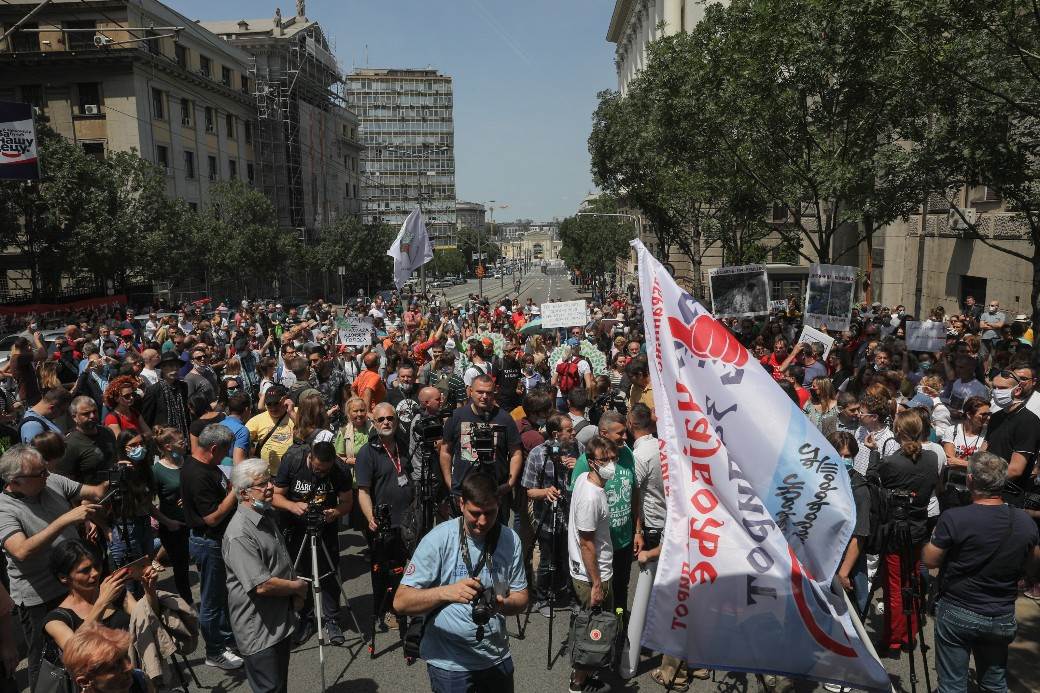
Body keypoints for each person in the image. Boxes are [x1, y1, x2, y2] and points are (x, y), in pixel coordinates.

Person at [394, 472, 528, 693]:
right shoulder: (438, 539)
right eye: (475, 513)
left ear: (499, 504)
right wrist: (447, 592)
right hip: (450, 664)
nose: (483, 522)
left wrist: (501, 605)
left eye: (490, 513)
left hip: (495, 655)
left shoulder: (509, 539)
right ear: (461, 503)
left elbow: (521, 597)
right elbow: (400, 602)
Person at [923, 451, 1040, 693]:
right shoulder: (1024, 522)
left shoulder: (954, 518)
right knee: (994, 683)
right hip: (1000, 615)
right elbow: (1033, 565)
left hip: (957, 609)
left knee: (952, 686)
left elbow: (930, 560)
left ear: (970, 481)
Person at [0, 445, 107, 690]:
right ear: (15, 481)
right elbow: (21, 550)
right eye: (40, 473)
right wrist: (66, 519)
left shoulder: (50, 480)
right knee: (44, 659)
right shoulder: (4, 509)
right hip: (40, 596)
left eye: (45, 470)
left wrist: (111, 479)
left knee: (86, 645)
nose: (47, 476)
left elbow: (95, 491)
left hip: (74, 586)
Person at [224, 458, 307, 693]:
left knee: (279, 686)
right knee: (269, 688)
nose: (270, 487)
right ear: (244, 493)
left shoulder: (266, 516)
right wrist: (297, 587)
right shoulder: (239, 533)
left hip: (278, 621)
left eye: (269, 480)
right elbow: (261, 585)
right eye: (262, 484)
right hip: (258, 630)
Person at [874, 410, 942, 655]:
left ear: (899, 431)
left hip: (896, 531)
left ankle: (894, 637)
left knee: (894, 586)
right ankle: (910, 630)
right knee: (912, 580)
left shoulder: (892, 463)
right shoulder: (932, 458)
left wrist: (873, 454)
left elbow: (877, 485)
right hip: (919, 529)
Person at [273, 441, 353, 646]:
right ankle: (305, 619)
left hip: (326, 528)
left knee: (330, 573)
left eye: (325, 471)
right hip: (296, 529)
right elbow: (275, 496)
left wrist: (335, 512)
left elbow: (347, 502)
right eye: (317, 469)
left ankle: (332, 619)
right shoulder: (293, 461)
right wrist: (292, 505)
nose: (320, 474)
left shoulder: (340, 469)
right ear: (310, 458)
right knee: (301, 574)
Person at [179, 424, 242, 670]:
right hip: (208, 542)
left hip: (216, 540)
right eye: (225, 451)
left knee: (221, 596)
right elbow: (212, 518)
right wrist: (235, 492)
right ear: (214, 448)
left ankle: (226, 640)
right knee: (211, 601)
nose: (226, 457)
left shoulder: (206, 466)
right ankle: (214, 651)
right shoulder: (197, 474)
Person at [568, 411, 637, 616]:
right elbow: (585, 536)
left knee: (620, 590)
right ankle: (608, 635)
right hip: (599, 553)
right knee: (598, 614)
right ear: (604, 433)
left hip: (623, 541)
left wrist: (638, 529)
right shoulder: (585, 468)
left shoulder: (627, 453)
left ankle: (620, 623)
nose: (625, 437)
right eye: (620, 433)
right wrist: (595, 582)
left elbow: (635, 490)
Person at [355, 403, 413, 631]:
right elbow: (363, 491)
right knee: (383, 571)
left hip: (409, 521)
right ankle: (384, 610)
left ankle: (404, 607)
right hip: (384, 524)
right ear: (374, 423)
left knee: (407, 568)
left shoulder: (405, 446)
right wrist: (371, 517)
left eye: (390, 418)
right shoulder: (367, 453)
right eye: (381, 420)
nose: (386, 422)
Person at [568, 435, 616, 693]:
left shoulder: (582, 481)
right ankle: (579, 683)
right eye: (604, 459)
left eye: (612, 458)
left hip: (589, 570)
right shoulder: (590, 498)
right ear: (591, 462)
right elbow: (587, 544)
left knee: (589, 626)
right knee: (591, 631)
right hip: (592, 574)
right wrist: (597, 583)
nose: (610, 463)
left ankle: (585, 675)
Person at [521, 413, 581, 616]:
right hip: (547, 518)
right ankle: (543, 598)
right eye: (569, 430)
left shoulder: (578, 448)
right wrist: (545, 493)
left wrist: (580, 468)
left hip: (572, 517)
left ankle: (572, 597)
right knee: (547, 560)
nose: (573, 433)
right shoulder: (538, 454)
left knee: (571, 558)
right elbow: (529, 490)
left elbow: (589, 478)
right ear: (556, 434)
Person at [440, 375, 523, 521]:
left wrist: (509, 484)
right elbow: (445, 451)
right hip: (463, 492)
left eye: (489, 393)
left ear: (494, 392)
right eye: (480, 392)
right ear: (470, 391)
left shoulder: (505, 418)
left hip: (495, 492)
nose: (484, 396)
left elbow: (516, 453)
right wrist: (450, 482)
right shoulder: (457, 416)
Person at [149, 426, 191, 604]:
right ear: (168, 447)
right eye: (181, 442)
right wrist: (167, 522)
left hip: (194, 523)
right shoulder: (157, 471)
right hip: (174, 527)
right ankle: (187, 606)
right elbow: (147, 503)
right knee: (181, 569)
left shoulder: (189, 462)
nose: (186, 444)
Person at [986, 363, 1040, 484]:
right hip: (984, 489)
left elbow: (1015, 470)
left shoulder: (1028, 421)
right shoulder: (995, 417)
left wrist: (985, 482)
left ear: (1017, 390)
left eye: (1002, 388)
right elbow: (982, 453)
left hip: (1008, 493)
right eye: (994, 387)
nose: (996, 392)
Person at [61, 624, 150, 693]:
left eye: (125, 656)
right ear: (84, 681)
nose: (129, 667)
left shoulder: (140, 679)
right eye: (114, 666)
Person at [59, 396, 117, 484]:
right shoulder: (69, 444)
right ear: (74, 417)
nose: (92, 416)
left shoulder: (107, 432)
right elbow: (65, 480)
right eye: (86, 414)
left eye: (94, 412)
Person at [246, 385, 295, 476]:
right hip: (269, 475)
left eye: (276, 403)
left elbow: (309, 431)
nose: (273, 408)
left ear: (285, 400)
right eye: (269, 404)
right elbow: (241, 441)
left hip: (295, 472)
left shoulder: (296, 412)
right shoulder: (256, 420)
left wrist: (291, 413)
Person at [942, 396, 989, 468]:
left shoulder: (988, 434)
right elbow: (950, 462)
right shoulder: (952, 431)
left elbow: (983, 466)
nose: (988, 417)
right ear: (969, 414)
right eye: (983, 414)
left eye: (989, 414)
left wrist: (960, 462)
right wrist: (973, 464)